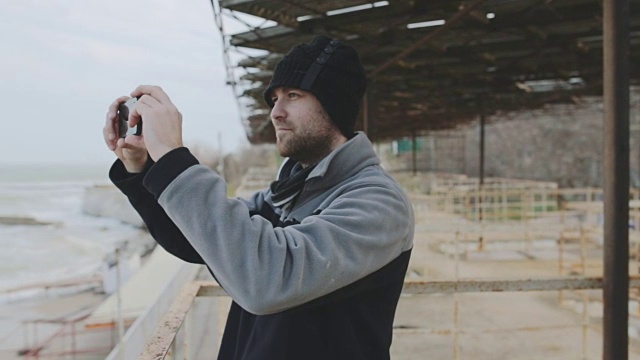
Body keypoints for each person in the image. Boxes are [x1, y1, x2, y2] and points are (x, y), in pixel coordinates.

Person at [103, 35, 414, 360]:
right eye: (274, 99)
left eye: (293, 95)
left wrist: (172, 157)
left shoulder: (379, 203)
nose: (275, 113)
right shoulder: (287, 192)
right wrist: (142, 170)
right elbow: (202, 240)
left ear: (335, 105)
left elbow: (267, 279)